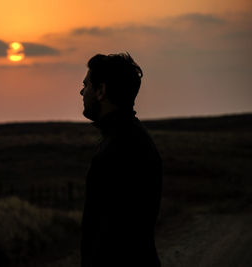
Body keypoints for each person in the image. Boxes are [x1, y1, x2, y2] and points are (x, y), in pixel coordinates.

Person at [80, 53, 162, 267]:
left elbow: (110, 234)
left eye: (86, 84)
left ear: (101, 91)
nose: (82, 91)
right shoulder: (133, 138)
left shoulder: (117, 149)